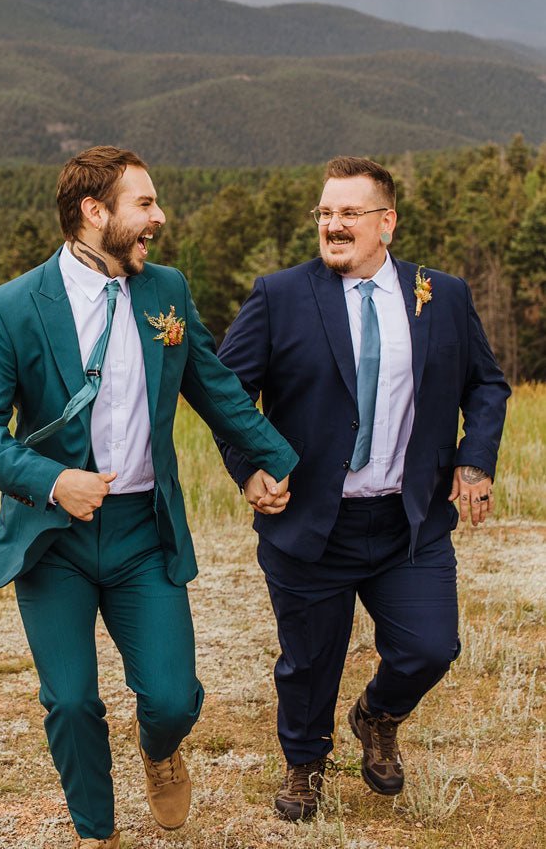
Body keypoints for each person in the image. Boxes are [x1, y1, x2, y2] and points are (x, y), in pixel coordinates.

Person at [0, 145, 297, 849]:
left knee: (172, 697)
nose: (158, 217)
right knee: (71, 699)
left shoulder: (165, 289)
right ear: (93, 212)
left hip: (145, 529)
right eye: (144, 204)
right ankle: (95, 832)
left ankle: (160, 746)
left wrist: (274, 461)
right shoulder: (10, 308)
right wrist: (52, 479)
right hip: (55, 538)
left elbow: (216, 386)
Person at [217, 155, 510, 821]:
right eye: (324, 212)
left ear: (388, 221)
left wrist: (475, 460)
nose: (333, 224)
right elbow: (225, 390)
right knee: (309, 660)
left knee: (432, 646)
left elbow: (485, 384)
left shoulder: (445, 294)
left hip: (410, 519)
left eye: (349, 212)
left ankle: (377, 714)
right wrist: (251, 463)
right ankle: (305, 761)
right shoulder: (281, 294)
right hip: (310, 520)